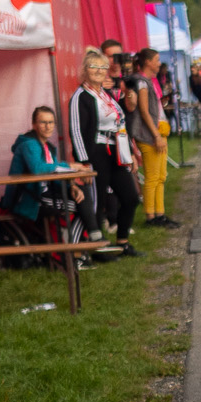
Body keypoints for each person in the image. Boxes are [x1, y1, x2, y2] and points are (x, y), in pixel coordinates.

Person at [68, 48, 140, 257]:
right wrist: (83, 162)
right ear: (85, 70)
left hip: (115, 150)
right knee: (97, 202)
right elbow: (76, 131)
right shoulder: (81, 96)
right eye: (94, 66)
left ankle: (122, 242)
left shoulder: (105, 94)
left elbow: (120, 123)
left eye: (103, 67)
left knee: (130, 197)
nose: (99, 71)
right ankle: (95, 247)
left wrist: (129, 153)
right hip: (96, 151)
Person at [0, 106, 100, 243]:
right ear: (34, 125)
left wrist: (71, 186)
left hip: (44, 194)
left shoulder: (48, 147)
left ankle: (89, 238)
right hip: (29, 199)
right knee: (82, 206)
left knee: (82, 193)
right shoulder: (29, 144)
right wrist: (70, 166)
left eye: (51, 122)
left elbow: (54, 175)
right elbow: (37, 169)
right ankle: (84, 243)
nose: (48, 127)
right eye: (43, 122)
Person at [130, 48, 177, 228]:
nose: (159, 63)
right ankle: (151, 216)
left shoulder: (148, 81)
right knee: (152, 177)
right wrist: (156, 135)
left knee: (160, 176)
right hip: (149, 136)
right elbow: (144, 111)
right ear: (148, 62)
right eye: (156, 60)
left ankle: (160, 214)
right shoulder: (141, 82)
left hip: (157, 133)